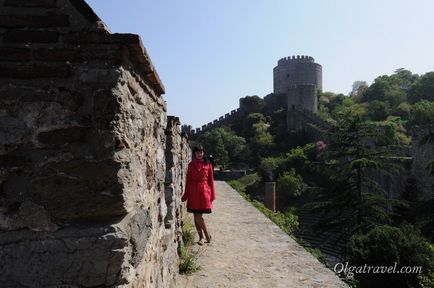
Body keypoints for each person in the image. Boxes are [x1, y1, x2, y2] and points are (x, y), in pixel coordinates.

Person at [181, 145, 215, 245]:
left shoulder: (208, 165)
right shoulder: (191, 165)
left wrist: (212, 195)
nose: (199, 154)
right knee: (196, 216)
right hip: (193, 192)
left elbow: (211, 181)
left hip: (204, 192)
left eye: (201, 152)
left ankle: (207, 236)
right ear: (194, 154)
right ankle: (201, 237)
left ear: (203, 153)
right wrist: (185, 195)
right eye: (197, 153)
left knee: (199, 217)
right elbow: (188, 181)